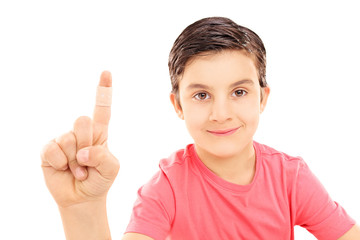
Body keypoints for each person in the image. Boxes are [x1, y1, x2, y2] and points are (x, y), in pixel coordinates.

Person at [41, 17, 360, 240]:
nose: (220, 114)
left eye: (239, 92)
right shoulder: (166, 187)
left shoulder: (291, 179)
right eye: (202, 95)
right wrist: (83, 209)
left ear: (262, 98)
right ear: (177, 105)